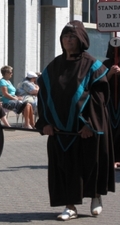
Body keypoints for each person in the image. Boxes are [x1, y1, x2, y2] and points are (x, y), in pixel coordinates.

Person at [35, 20, 115, 221]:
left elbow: (99, 98)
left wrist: (89, 124)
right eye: (65, 36)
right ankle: (70, 206)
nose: (68, 40)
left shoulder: (92, 66)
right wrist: (44, 123)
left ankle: (95, 196)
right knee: (64, 167)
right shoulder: (54, 66)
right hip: (59, 130)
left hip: (85, 130)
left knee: (89, 164)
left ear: (81, 40)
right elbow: (43, 95)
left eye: (72, 37)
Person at [103, 42, 120, 169]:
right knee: (110, 129)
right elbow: (99, 82)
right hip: (109, 103)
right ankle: (111, 158)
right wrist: (109, 74)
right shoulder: (106, 64)